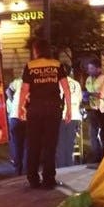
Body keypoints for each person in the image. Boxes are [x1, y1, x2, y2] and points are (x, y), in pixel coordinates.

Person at [18, 39, 71, 189]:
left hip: (35, 109)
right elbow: (66, 88)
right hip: (53, 109)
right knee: (50, 145)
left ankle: (33, 179)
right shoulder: (56, 65)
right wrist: (69, 109)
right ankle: (48, 179)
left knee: (33, 144)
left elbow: (24, 90)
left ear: (36, 50)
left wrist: (20, 108)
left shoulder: (30, 66)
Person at [83, 57, 104, 164]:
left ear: (98, 69)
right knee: (92, 134)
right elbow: (88, 91)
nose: (89, 71)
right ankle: (96, 155)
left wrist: (90, 94)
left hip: (103, 110)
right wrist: (85, 97)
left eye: (91, 68)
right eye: (88, 68)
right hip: (92, 109)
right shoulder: (89, 79)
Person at [55, 64, 82, 168]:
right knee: (69, 143)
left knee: (60, 144)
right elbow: (79, 99)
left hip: (61, 115)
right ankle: (69, 167)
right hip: (74, 115)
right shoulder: (76, 84)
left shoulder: (58, 83)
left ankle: (62, 168)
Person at [6, 77, 26, 175]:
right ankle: (26, 170)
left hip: (15, 117)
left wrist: (13, 101)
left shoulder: (18, 82)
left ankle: (18, 170)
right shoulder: (35, 83)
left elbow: (8, 91)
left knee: (17, 145)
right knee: (28, 145)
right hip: (26, 118)